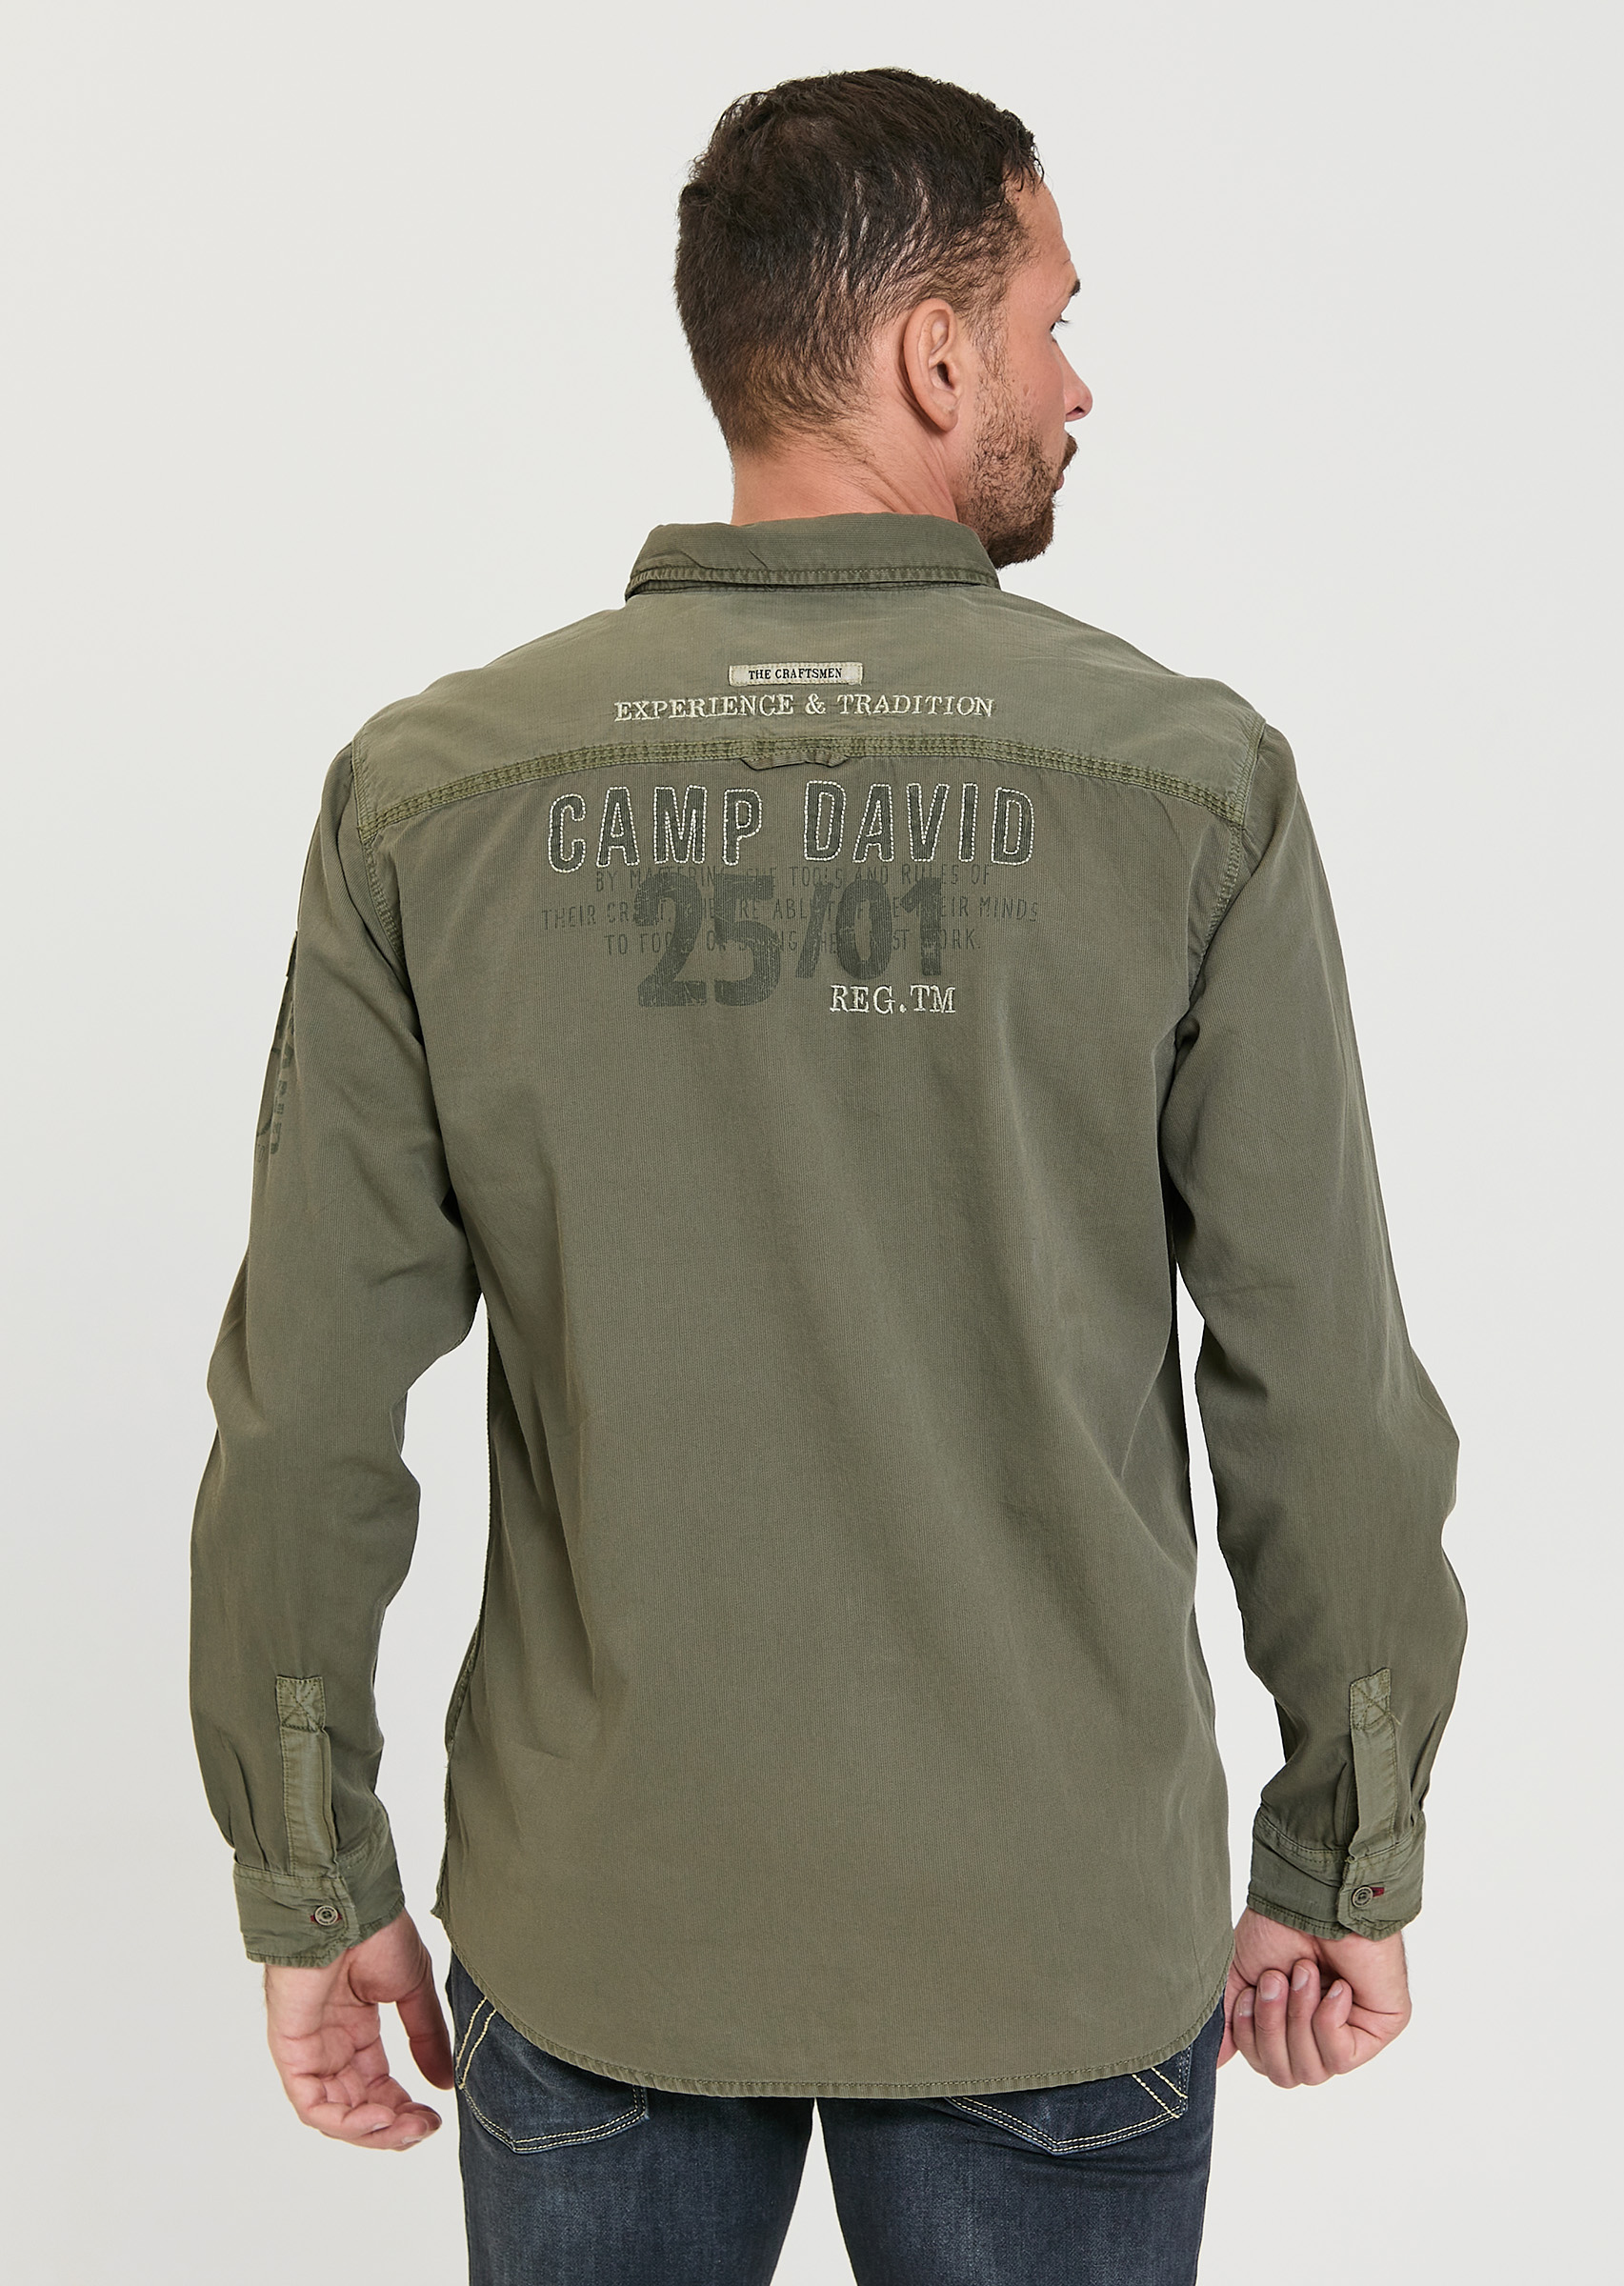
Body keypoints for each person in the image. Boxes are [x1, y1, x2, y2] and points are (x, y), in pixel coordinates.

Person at [190, 66, 1466, 2286]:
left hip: (605, 1922)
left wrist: (312, 1879)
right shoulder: (1184, 787)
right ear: (933, 355)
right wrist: (1344, 1847)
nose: (1078, 383)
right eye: (1054, 321)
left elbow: (306, 1403)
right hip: (1051, 1928)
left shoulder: (431, 795)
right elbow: (1320, 1386)